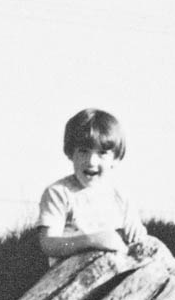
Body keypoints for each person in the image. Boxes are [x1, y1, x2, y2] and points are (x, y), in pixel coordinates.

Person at [38, 108, 147, 263]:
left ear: (116, 158)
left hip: (115, 274)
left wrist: (136, 231)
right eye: (83, 151)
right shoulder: (59, 193)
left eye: (102, 153)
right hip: (72, 280)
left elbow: (134, 234)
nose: (91, 161)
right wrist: (91, 240)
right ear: (70, 153)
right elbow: (49, 244)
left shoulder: (121, 197)